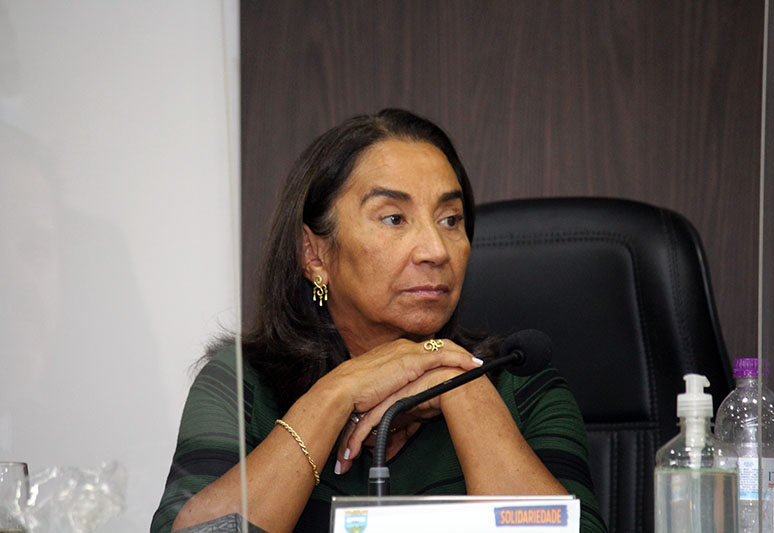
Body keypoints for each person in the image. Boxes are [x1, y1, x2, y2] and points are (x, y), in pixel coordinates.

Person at [151, 109, 607, 533]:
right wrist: (335, 395)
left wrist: (465, 390)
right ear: (314, 254)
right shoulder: (244, 385)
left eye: (451, 220)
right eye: (393, 218)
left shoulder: (522, 382)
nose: (436, 251)